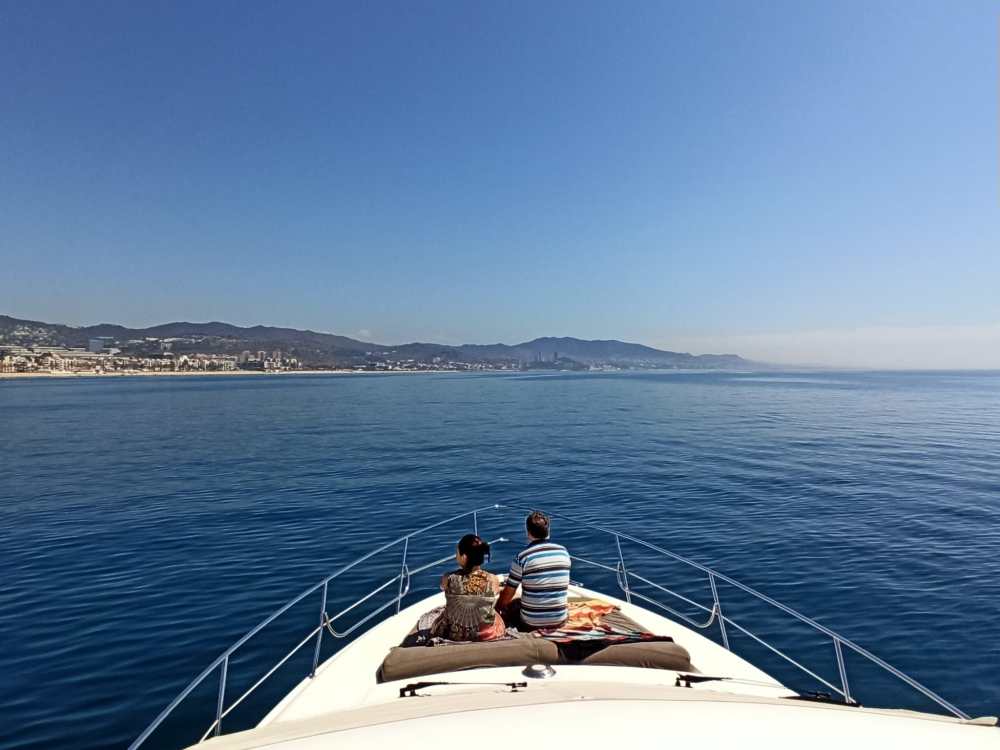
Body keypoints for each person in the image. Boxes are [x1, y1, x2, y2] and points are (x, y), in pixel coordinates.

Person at [496, 510, 571, 630]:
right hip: (560, 621)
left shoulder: (522, 557)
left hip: (531, 624)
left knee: (513, 605)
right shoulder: (563, 552)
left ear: (528, 532)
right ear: (548, 530)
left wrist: (497, 607)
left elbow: (509, 593)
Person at [430, 534, 506, 641]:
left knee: (442, 617)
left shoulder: (448, 578)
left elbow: (442, 587)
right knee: (494, 614)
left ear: (464, 557)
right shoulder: (493, 579)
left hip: (454, 634)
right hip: (484, 634)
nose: (456, 556)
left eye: (457, 553)